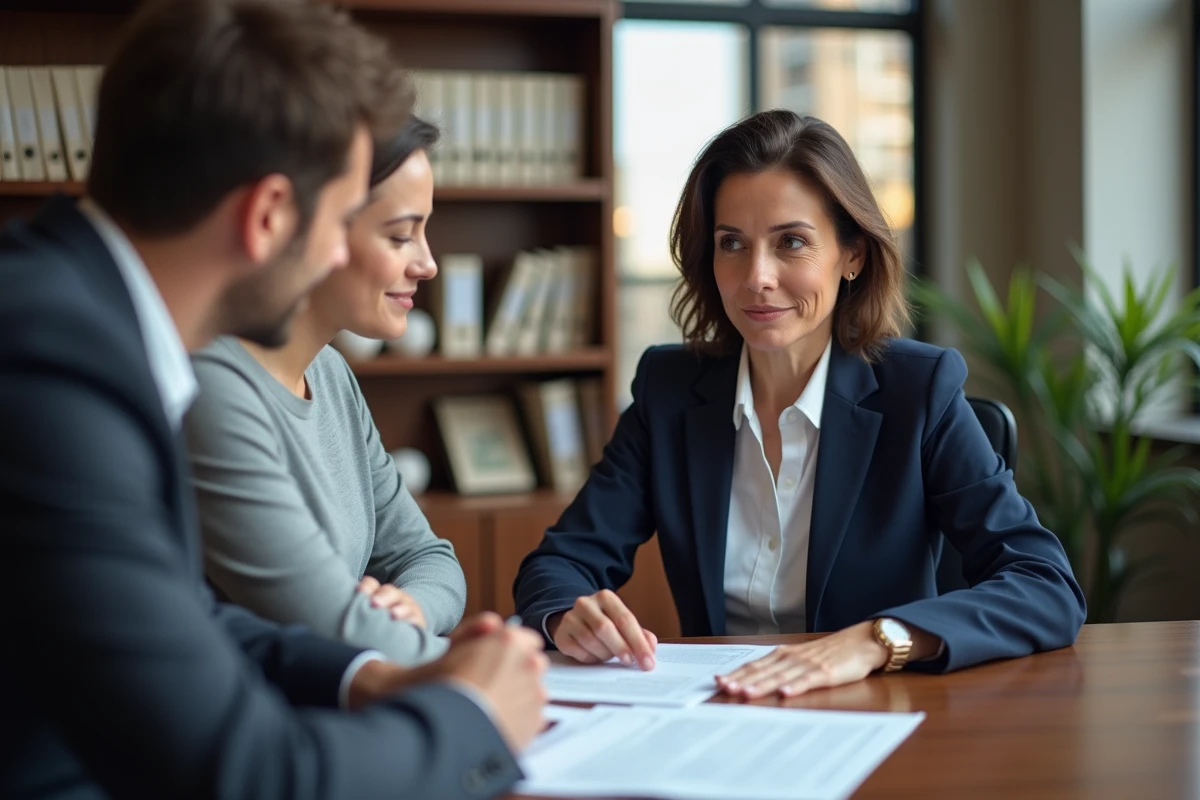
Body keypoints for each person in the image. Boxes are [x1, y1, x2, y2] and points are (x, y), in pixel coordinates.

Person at [0, 2, 545, 798]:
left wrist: (366, 676)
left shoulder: (70, 315)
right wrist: (473, 718)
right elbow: (246, 774)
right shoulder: (54, 368)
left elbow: (178, 619)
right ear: (266, 217)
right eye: (337, 224)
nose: (333, 255)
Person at [513, 110, 1086, 698]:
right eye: (731, 243)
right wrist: (566, 615)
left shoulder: (919, 392)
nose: (757, 276)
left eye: (791, 242)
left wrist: (876, 640)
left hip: (877, 714)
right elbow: (558, 567)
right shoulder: (669, 391)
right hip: (722, 715)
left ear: (853, 255)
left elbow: (1046, 585)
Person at [185, 115, 460, 667]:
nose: (428, 263)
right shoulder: (211, 387)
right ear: (318, 229)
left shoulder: (331, 373)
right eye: (401, 235)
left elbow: (431, 558)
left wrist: (409, 609)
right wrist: (471, 662)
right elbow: (329, 630)